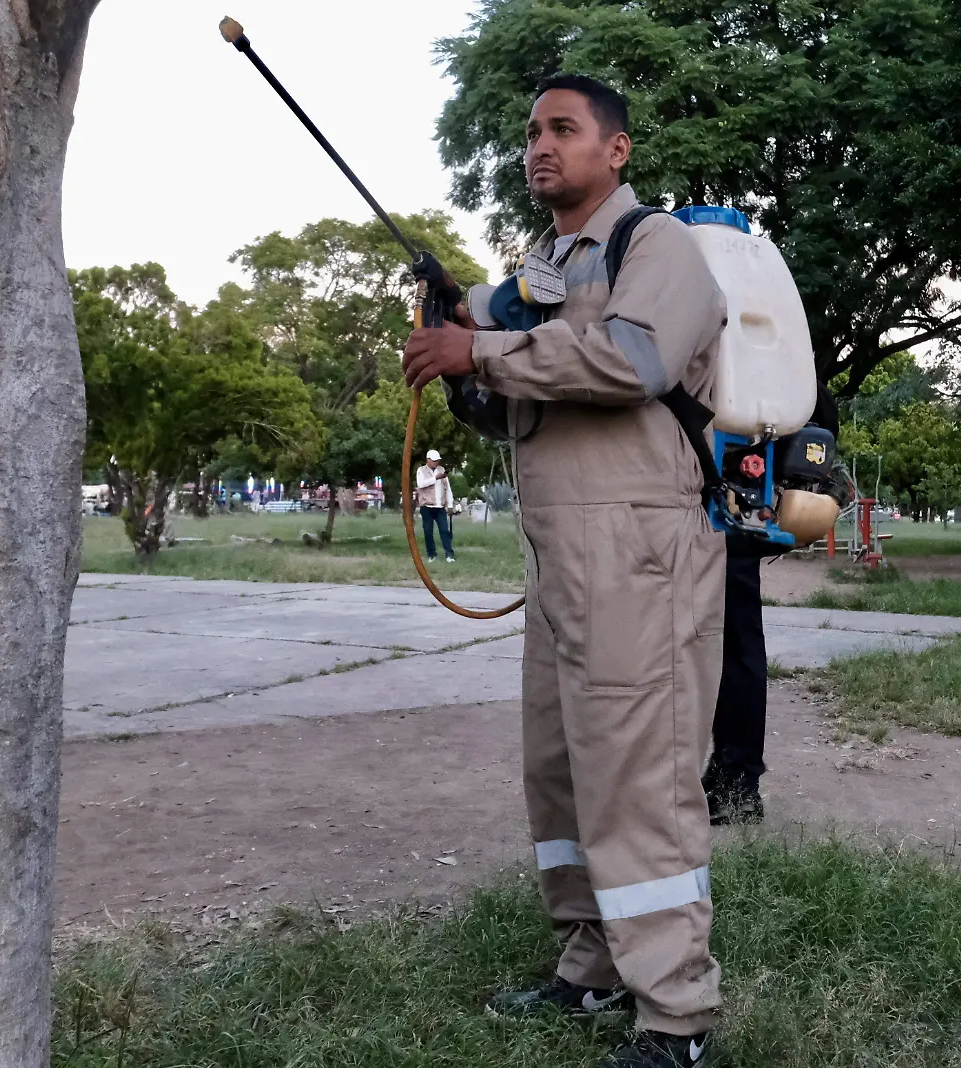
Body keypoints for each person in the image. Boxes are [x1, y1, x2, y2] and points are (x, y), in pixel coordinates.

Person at [402, 74, 727, 1068]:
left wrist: (486, 347)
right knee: (561, 770)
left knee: (638, 776)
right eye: (531, 130)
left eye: (563, 129)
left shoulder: (656, 246)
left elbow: (631, 362)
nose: (540, 145)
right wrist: (466, 360)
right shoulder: (538, 271)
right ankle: (588, 969)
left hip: (638, 549)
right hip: (558, 555)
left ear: (615, 150)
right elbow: (514, 408)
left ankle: (675, 1018)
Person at [702, 387, 841, 826]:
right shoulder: (777, 334)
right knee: (738, 643)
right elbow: (822, 411)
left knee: (712, 645)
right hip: (737, 498)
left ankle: (730, 781)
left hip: (700, 493)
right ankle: (736, 781)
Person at [416, 448, 456, 563]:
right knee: (428, 532)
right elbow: (421, 484)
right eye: (434, 461)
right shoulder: (421, 470)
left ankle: (449, 555)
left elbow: (447, 489)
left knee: (444, 531)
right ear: (428, 460)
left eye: (437, 460)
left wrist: (450, 505)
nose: (436, 463)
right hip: (427, 507)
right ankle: (431, 555)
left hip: (440, 507)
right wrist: (435, 478)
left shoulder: (442, 470)